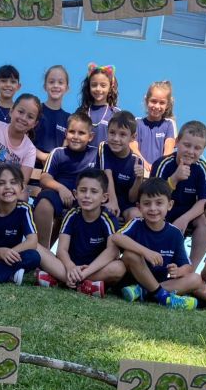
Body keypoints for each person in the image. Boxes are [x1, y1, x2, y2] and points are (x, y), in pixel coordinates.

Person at [110, 178, 201, 310]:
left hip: (157, 284)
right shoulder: (136, 223)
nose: (153, 208)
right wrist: (146, 252)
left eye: (159, 203)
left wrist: (178, 271)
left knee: (195, 279)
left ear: (169, 205)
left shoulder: (175, 233)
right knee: (130, 255)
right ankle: (162, 296)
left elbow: (187, 267)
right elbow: (116, 237)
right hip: (131, 282)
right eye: (147, 204)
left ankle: (145, 292)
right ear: (139, 207)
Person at [0, 164, 64, 285]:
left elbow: (32, 241)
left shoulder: (24, 209)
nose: (8, 187)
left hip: (11, 256)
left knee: (34, 256)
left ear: (22, 187)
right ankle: (6, 274)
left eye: (13, 182)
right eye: (1, 183)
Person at [37, 168, 125, 297]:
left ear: (104, 197)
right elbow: (61, 250)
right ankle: (85, 286)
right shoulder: (72, 214)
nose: (87, 196)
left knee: (119, 268)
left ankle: (62, 279)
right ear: (75, 193)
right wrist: (70, 267)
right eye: (83, 190)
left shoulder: (108, 219)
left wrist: (84, 273)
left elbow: (112, 252)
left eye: (94, 191)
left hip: (94, 269)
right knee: (36, 247)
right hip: (69, 266)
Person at [151, 120, 206, 270]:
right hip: (162, 212)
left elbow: (205, 201)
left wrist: (185, 219)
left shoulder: (201, 168)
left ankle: (190, 268)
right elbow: (152, 196)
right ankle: (154, 265)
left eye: (197, 148)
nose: (191, 151)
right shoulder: (163, 164)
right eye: (187, 145)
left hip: (187, 215)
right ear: (177, 142)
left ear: (203, 150)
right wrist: (174, 179)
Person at [33, 111, 98, 248]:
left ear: (90, 137)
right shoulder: (58, 153)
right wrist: (61, 188)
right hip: (59, 196)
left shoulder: (96, 154)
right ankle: (41, 251)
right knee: (44, 202)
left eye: (81, 133)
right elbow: (44, 178)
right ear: (66, 133)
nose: (75, 137)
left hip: (84, 200)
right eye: (72, 132)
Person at [0, 93, 40, 203]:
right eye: (20, 112)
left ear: (35, 124)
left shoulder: (30, 149)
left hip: (9, 189)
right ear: (11, 111)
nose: (23, 118)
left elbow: (22, 182)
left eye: (30, 117)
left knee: (23, 196)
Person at [97, 111, 144, 221]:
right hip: (105, 199)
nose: (116, 139)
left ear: (133, 137)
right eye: (112, 133)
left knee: (136, 215)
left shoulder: (137, 161)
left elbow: (132, 199)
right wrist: (112, 201)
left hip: (125, 205)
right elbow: (107, 174)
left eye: (122, 134)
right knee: (106, 212)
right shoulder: (104, 147)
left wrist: (139, 179)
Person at [130, 80, 177, 176]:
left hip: (160, 175)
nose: (157, 106)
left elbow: (168, 150)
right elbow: (132, 146)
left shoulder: (169, 124)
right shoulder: (137, 123)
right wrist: (144, 163)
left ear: (167, 105)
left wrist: (157, 167)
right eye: (153, 101)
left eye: (162, 103)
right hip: (140, 173)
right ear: (146, 100)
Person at [33, 65, 71, 168]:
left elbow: (65, 148)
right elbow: (23, 139)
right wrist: (43, 156)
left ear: (67, 88)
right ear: (45, 86)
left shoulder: (69, 119)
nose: (55, 85)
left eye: (60, 82)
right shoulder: (35, 110)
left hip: (54, 169)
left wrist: (53, 159)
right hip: (31, 167)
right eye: (51, 82)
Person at [77, 63, 120, 148]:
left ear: (110, 87)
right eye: (94, 85)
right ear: (89, 87)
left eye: (103, 85)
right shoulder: (82, 111)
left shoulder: (116, 113)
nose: (98, 89)